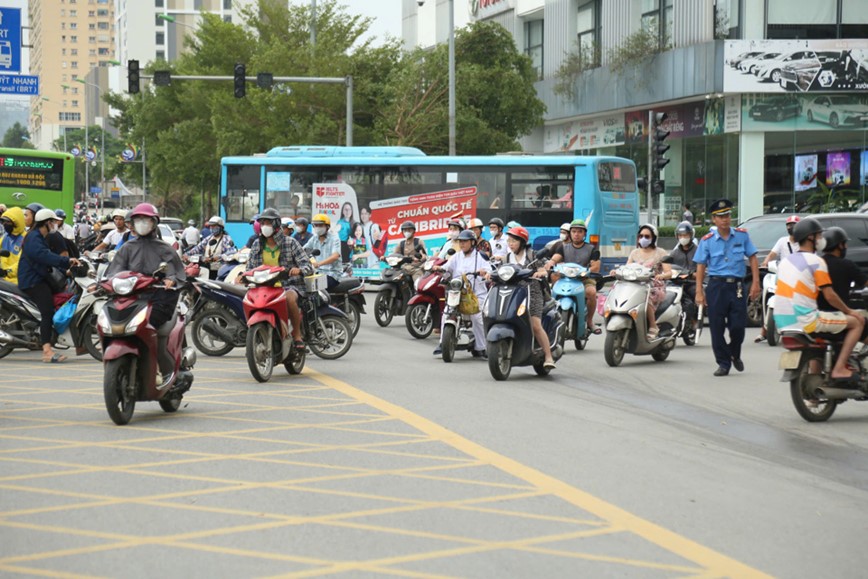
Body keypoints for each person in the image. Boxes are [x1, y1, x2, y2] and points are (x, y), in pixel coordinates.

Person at [103, 203, 186, 386]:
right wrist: (103, 284)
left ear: (154, 223)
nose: (142, 223)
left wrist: (170, 279)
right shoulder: (126, 248)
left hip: (158, 297)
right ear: (132, 223)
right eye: (138, 220)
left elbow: (175, 271)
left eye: (146, 220)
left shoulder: (164, 248)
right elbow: (113, 272)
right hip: (132, 299)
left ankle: (157, 366)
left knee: (152, 326)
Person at [774, 218, 864, 382]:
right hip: (805, 320)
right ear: (811, 238)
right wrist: (850, 311)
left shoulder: (785, 262)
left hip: (782, 322)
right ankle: (839, 368)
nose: (822, 239)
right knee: (857, 322)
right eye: (819, 235)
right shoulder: (816, 261)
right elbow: (830, 295)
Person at [694, 199, 760, 377]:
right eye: (721, 216)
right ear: (713, 219)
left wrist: (755, 282)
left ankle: (733, 352)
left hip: (737, 286)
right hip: (716, 286)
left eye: (727, 215)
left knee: (738, 326)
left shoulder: (741, 235)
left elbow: (753, 258)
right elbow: (700, 266)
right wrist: (699, 291)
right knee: (716, 327)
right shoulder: (707, 241)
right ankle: (723, 363)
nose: (725, 219)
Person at [18, 209, 81, 363]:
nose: (55, 224)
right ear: (46, 222)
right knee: (47, 312)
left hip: (39, 277)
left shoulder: (41, 237)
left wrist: (64, 269)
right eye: (52, 221)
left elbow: (47, 259)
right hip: (32, 281)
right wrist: (66, 261)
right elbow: (43, 256)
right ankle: (47, 350)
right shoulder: (34, 238)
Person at [245, 208, 313, 349]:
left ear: (276, 224)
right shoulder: (257, 244)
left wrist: (299, 270)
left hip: (288, 284)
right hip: (264, 286)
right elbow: (249, 267)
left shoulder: (290, 243)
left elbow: (307, 265)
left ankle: (297, 335)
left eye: (268, 222)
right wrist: (244, 276)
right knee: (246, 298)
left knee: (289, 298)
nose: (264, 226)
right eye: (262, 222)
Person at [497, 225, 556, 369]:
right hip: (513, 293)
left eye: (514, 241)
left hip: (532, 292)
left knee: (535, 324)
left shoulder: (532, 256)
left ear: (522, 242)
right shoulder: (506, 258)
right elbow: (498, 271)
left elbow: (543, 269)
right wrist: (488, 275)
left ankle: (548, 356)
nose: (510, 244)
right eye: (509, 241)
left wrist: (541, 273)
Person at [432, 229, 492, 358]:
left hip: (476, 294)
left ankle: (481, 347)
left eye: (465, 241)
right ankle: (443, 343)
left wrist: (485, 272)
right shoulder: (457, 256)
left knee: (477, 318)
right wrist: (440, 269)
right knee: (447, 313)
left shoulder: (480, 256)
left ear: (472, 242)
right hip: (457, 292)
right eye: (460, 242)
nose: (462, 244)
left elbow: (489, 270)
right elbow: (447, 268)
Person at [544, 219, 602, 336]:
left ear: (584, 234)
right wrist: (551, 263)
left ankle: (590, 321)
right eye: (574, 231)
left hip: (584, 278)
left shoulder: (592, 249)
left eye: (580, 231)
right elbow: (555, 258)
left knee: (591, 292)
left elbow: (595, 267)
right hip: (566, 277)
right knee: (552, 282)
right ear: (570, 233)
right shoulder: (563, 247)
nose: (576, 234)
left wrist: (588, 271)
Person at [756, 215, 800, 343]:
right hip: (782, 277)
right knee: (766, 293)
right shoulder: (782, 241)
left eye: (794, 225)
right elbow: (772, 254)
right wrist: (765, 262)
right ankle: (764, 330)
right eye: (789, 225)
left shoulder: (804, 242)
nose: (791, 227)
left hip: (799, 278)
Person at [625, 224, 671, 340]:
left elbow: (669, 272)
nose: (643, 239)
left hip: (654, 287)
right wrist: (616, 272)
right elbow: (627, 268)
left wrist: (661, 276)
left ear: (653, 238)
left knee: (645, 296)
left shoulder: (661, 253)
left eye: (647, 236)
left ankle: (653, 326)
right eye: (640, 236)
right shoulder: (634, 253)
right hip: (635, 285)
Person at [818, 226, 868, 313]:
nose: (846, 246)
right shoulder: (847, 265)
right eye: (844, 243)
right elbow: (865, 282)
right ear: (840, 245)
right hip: (841, 314)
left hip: (818, 314)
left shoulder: (817, 263)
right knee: (864, 318)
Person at [186, 215, 236, 280]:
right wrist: (187, 254)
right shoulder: (209, 238)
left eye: (214, 226)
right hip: (207, 266)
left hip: (220, 268)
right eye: (211, 226)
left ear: (220, 227)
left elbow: (231, 253)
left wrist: (217, 257)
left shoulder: (226, 239)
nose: (212, 228)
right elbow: (198, 247)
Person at [668, 221, 699, 323]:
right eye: (680, 235)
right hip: (676, 282)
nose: (683, 237)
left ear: (691, 235)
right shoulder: (674, 252)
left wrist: (695, 274)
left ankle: (695, 318)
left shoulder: (698, 251)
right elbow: (665, 263)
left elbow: (704, 266)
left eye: (685, 235)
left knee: (696, 294)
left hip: (692, 282)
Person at [303, 213, 342, 283]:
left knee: (315, 285)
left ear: (327, 226)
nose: (318, 227)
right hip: (317, 273)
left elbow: (335, 256)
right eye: (316, 225)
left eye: (320, 225)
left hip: (332, 274)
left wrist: (318, 264)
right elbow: (303, 250)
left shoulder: (334, 238)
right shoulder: (314, 238)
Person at [0, 206, 26, 284]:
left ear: (16, 222)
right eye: (3, 222)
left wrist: (6, 272)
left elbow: (22, 263)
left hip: (16, 280)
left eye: (8, 222)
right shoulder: (5, 237)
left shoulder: (26, 238)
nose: (4, 224)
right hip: (4, 279)